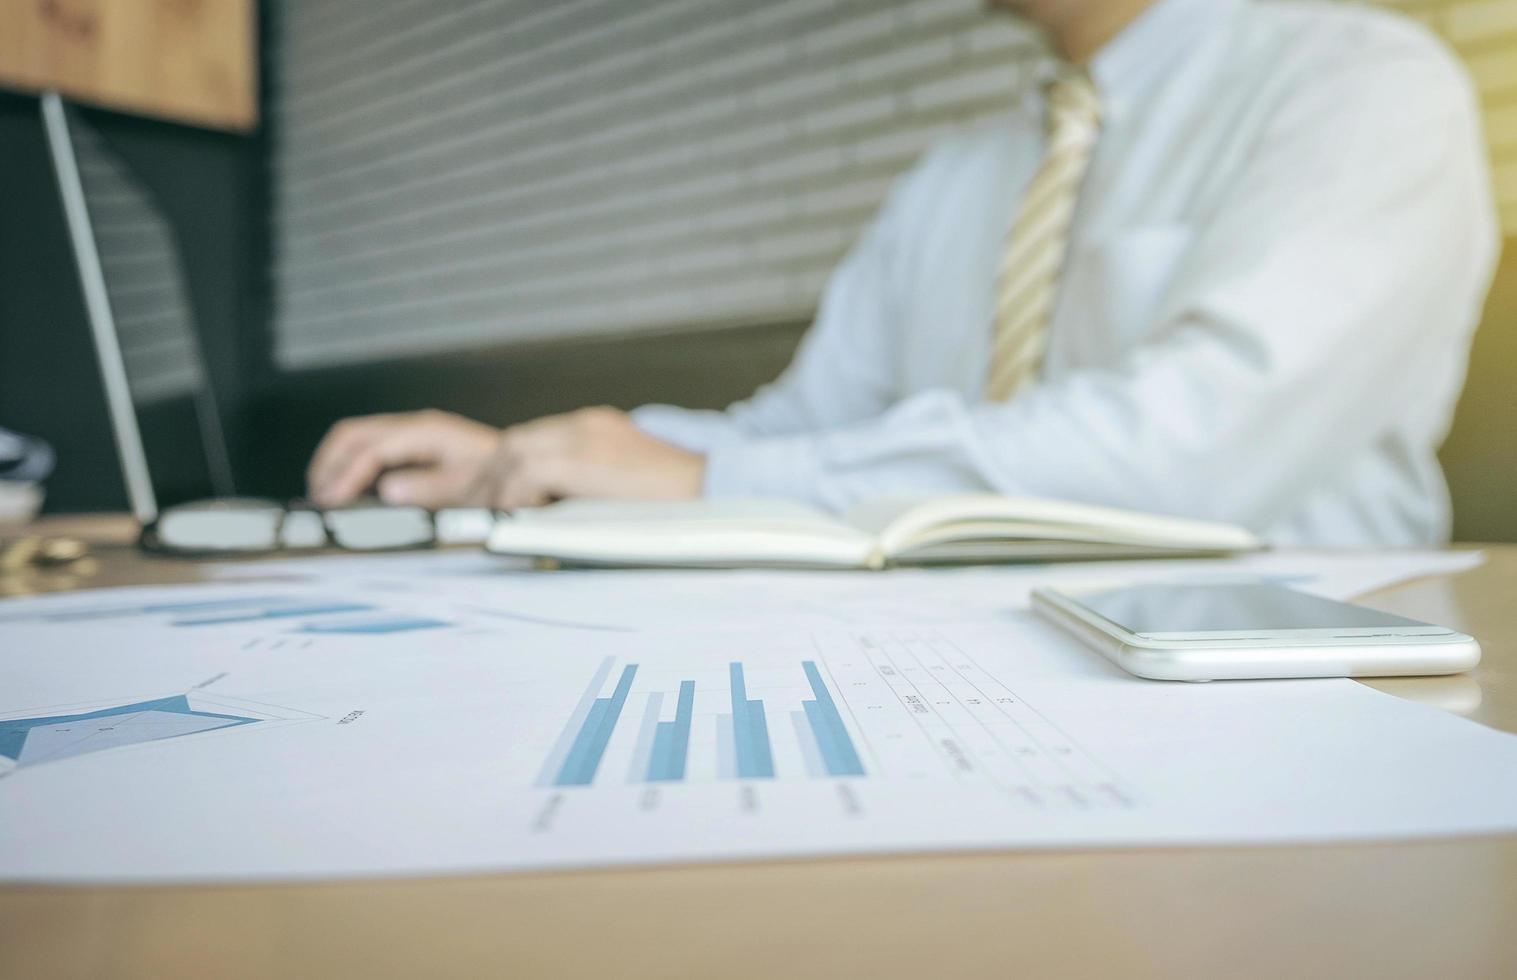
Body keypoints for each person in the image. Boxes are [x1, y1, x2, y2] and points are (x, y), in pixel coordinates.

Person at [306, 0, 1498, 546]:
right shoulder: (956, 173)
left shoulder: (1358, 81)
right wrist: (533, 457)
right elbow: (807, 430)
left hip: (1298, 689)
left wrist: (707, 471)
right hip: (949, 661)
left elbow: (1186, 451)